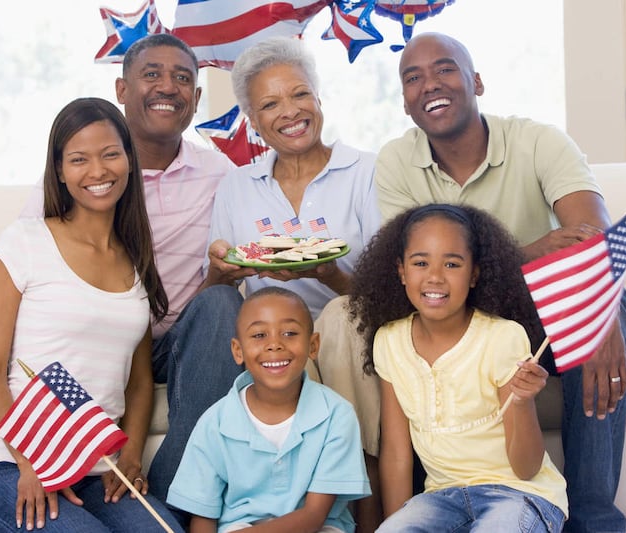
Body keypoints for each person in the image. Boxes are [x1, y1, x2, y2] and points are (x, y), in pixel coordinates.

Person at [0, 34, 241, 532]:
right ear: (123, 88)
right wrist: (28, 458)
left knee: (218, 304)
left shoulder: (219, 175)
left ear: (196, 97)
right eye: (152, 74)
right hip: (67, 371)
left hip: (166, 337)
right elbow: (27, 262)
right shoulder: (34, 231)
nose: (167, 87)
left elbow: (140, 376)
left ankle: (174, 496)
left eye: (182, 78)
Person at [373, 32, 626, 532]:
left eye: (445, 69)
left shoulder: (539, 140)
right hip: (461, 316)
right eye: (413, 77)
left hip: (543, 310)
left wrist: (600, 322)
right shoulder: (394, 161)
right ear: (406, 102)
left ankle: (593, 518)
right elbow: (417, 269)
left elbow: (592, 239)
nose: (430, 83)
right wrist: (530, 251)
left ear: (475, 81)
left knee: (608, 312)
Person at [0, 96, 182, 532]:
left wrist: (133, 452)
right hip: (12, 466)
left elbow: (138, 381)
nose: (98, 172)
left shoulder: (135, 259)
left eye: (110, 154)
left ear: (129, 160)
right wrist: (32, 463)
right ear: (60, 172)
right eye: (79, 159)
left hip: (100, 468)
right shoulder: (24, 241)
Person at [200, 36, 383, 530]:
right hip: (277, 338)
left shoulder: (366, 171)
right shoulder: (237, 186)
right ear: (253, 121)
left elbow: (390, 290)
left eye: (300, 95)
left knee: (340, 319)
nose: (290, 111)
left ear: (319, 100)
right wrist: (222, 269)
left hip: (352, 331)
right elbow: (214, 291)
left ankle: (365, 505)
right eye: (269, 104)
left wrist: (328, 272)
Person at [348, 203, 567, 532]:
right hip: (440, 499)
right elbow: (396, 451)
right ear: (401, 270)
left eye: (452, 263)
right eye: (421, 262)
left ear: (475, 273)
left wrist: (521, 402)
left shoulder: (502, 337)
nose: (435, 276)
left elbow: (526, 468)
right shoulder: (389, 341)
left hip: (519, 495)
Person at [167, 287, 371, 533]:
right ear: (237, 350)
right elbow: (203, 517)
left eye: (289, 333)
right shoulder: (215, 423)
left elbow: (314, 516)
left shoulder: (337, 415)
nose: (274, 344)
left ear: (313, 345)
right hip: (239, 526)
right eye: (259, 335)